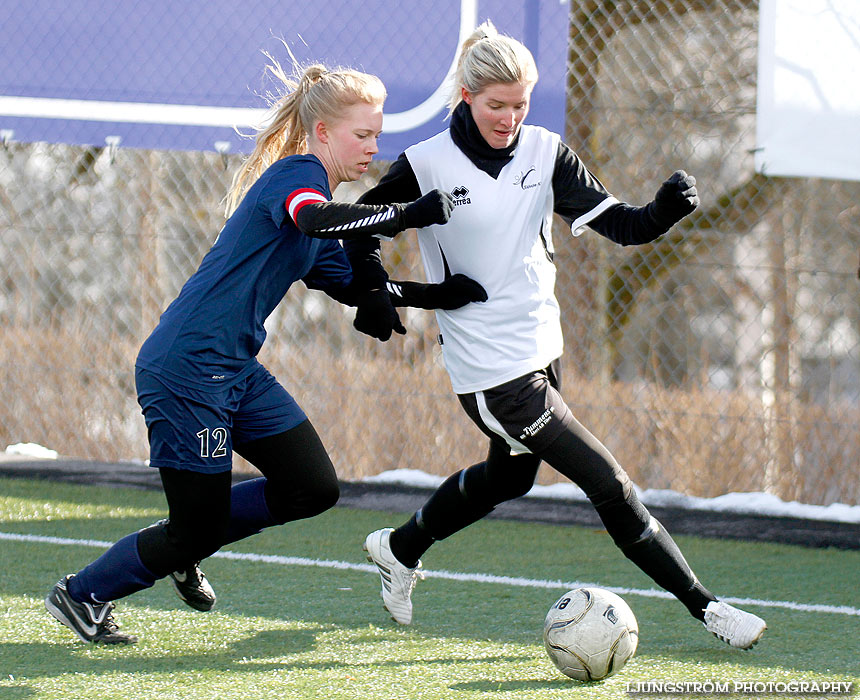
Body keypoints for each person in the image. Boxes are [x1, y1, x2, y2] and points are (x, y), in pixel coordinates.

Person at [347, 21, 767, 650]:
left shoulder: (546, 151)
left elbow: (622, 226)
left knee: (511, 480)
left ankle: (399, 547)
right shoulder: (426, 162)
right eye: (496, 105)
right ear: (465, 96)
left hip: (542, 348)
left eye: (519, 105)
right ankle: (708, 609)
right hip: (492, 374)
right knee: (610, 483)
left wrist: (663, 213)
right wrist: (393, 294)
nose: (509, 118)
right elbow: (361, 229)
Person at [44, 59, 486, 644]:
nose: (373, 147)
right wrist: (405, 214)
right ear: (323, 133)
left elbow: (352, 283)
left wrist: (429, 295)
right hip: (187, 371)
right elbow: (317, 217)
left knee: (312, 488)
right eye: (362, 135)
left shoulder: (325, 200)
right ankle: (82, 594)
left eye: (378, 134)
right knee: (194, 526)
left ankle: (187, 540)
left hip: (235, 371)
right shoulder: (295, 176)